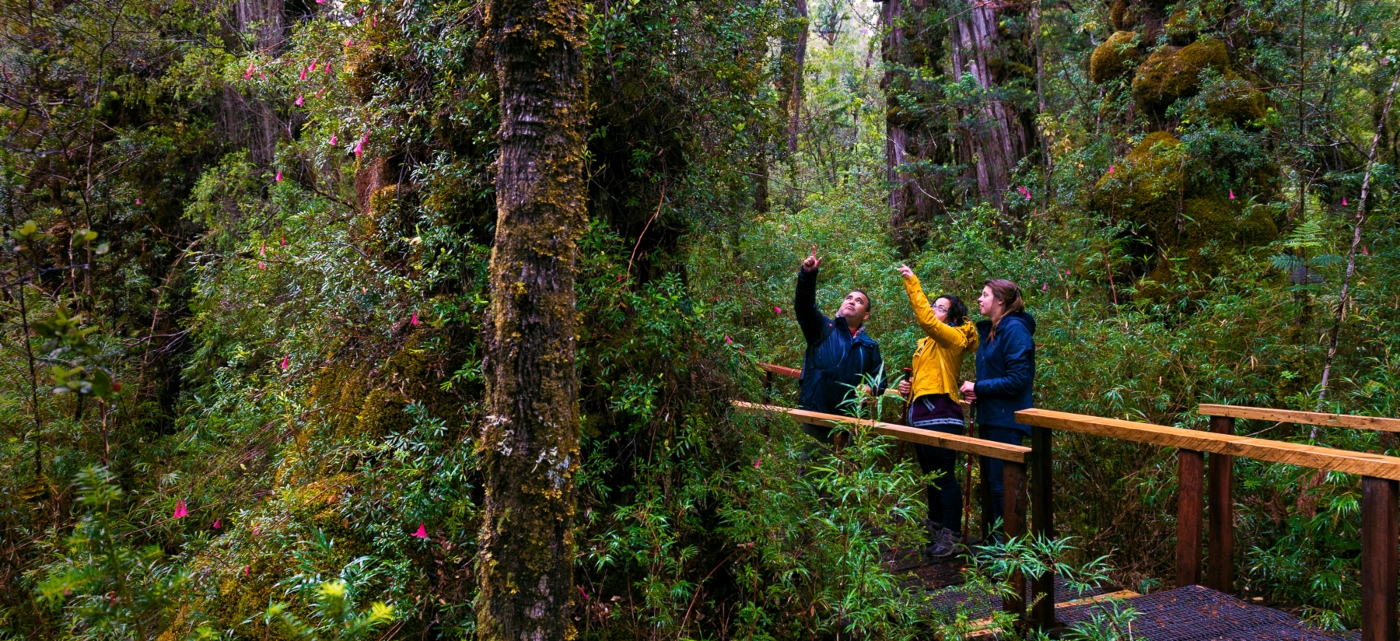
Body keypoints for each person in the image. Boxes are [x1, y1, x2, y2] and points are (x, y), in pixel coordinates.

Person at [895, 265, 977, 559]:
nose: (933, 310)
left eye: (940, 308)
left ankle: (951, 533)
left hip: (942, 413)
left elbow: (927, 321)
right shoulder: (929, 344)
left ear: (953, 318)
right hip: (922, 412)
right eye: (934, 305)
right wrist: (910, 387)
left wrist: (912, 282)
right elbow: (932, 375)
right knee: (930, 475)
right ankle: (936, 525)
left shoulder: (952, 337)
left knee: (943, 476)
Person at [960, 279, 1035, 540]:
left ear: (1000, 300)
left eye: (984, 295)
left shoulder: (1015, 330)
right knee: (993, 487)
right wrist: (977, 392)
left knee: (1004, 489)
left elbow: (1018, 380)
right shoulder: (994, 330)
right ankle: (996, 550)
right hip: (992, 418)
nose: (979, 299)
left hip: (1007, 421)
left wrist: (979, 387)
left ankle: (1009, 555)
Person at [795, 246, 884, 442]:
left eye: (859, 301)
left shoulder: (869, 346)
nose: (852, 302)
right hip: (816, 414)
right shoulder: (823, 328)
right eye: (849, 298)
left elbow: (880, 382)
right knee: (812, 467)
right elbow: (804, 306)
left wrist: (871, 389)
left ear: (866, 315)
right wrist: (808, 276)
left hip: (851, 421)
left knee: (847, 470)